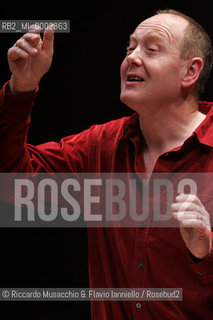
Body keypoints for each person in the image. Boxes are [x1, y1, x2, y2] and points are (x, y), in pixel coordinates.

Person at [1, 8, 213, 319]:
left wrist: (205, 253)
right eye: (130, 48)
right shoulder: (101, 146)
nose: (132, 59)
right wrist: (22, 87)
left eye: (151, 49)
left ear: (190, 72)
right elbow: (12, 182)